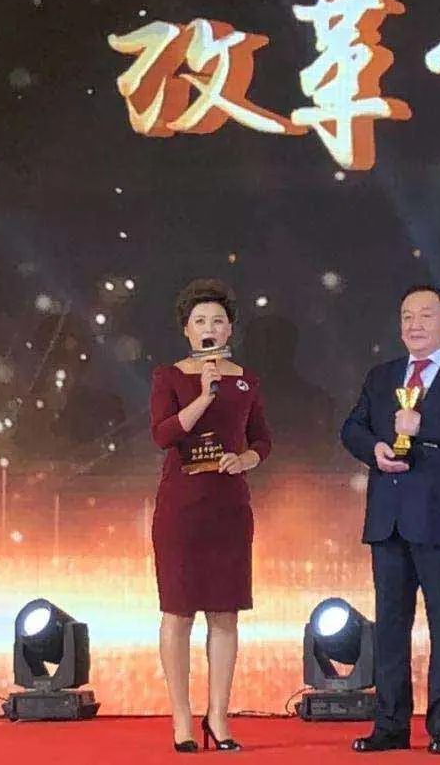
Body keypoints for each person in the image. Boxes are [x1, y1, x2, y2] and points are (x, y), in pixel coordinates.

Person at [341, 285, 440, 755]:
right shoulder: (382, 376)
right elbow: (352, 428)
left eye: (426, 316)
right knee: (390, 628)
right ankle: (390, 725)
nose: (415, 325)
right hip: (388, 520)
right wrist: (374, 448)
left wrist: (422, 427)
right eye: (407, 316)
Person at [149, 278, 271, 753]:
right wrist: (203, 395)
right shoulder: (169, 376)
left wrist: (247, 459)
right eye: (200, 320)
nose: (209, 327)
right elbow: (163, 435)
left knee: (225, 613)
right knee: (178, 613)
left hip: (229, 509)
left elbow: (262, 439)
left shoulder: (246, 380)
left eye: (217, 320)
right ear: (186, 329)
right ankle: (181, 717)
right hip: (181, 509)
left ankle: (218, 716)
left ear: (229, 329)